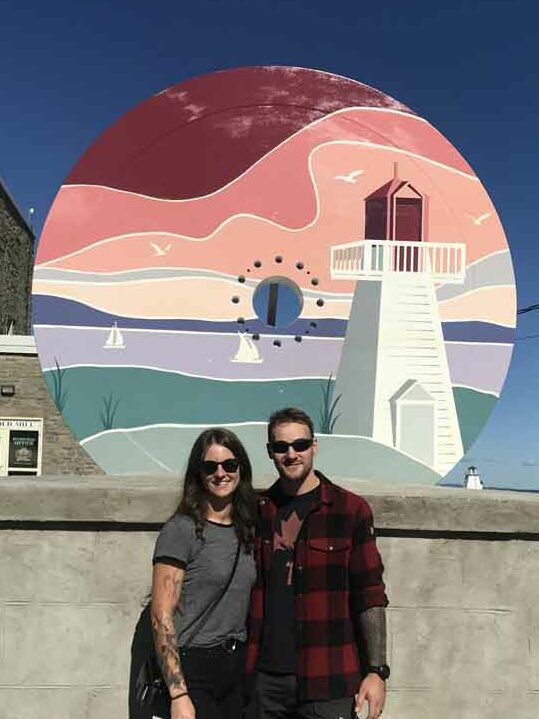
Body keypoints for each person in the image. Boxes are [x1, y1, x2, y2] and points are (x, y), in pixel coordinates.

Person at [246, 407, 389, 719]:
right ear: (270, 452)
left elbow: (370, 594)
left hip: (330, 680)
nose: (291, 454)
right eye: (281, 447)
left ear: (314, 446)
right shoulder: (258, 511)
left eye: (300, 445)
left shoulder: (350, 510)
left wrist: (377, 671)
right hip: (265, 681)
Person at [151, 427, 257, 719]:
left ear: (241, 469)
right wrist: (178, 693)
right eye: (210, 466)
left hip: (237, 670)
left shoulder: (248, 530)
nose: (220, 473)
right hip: (194, 668)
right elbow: (162, 616)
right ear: (198, 473)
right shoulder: (181, 530)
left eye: (229, 465)